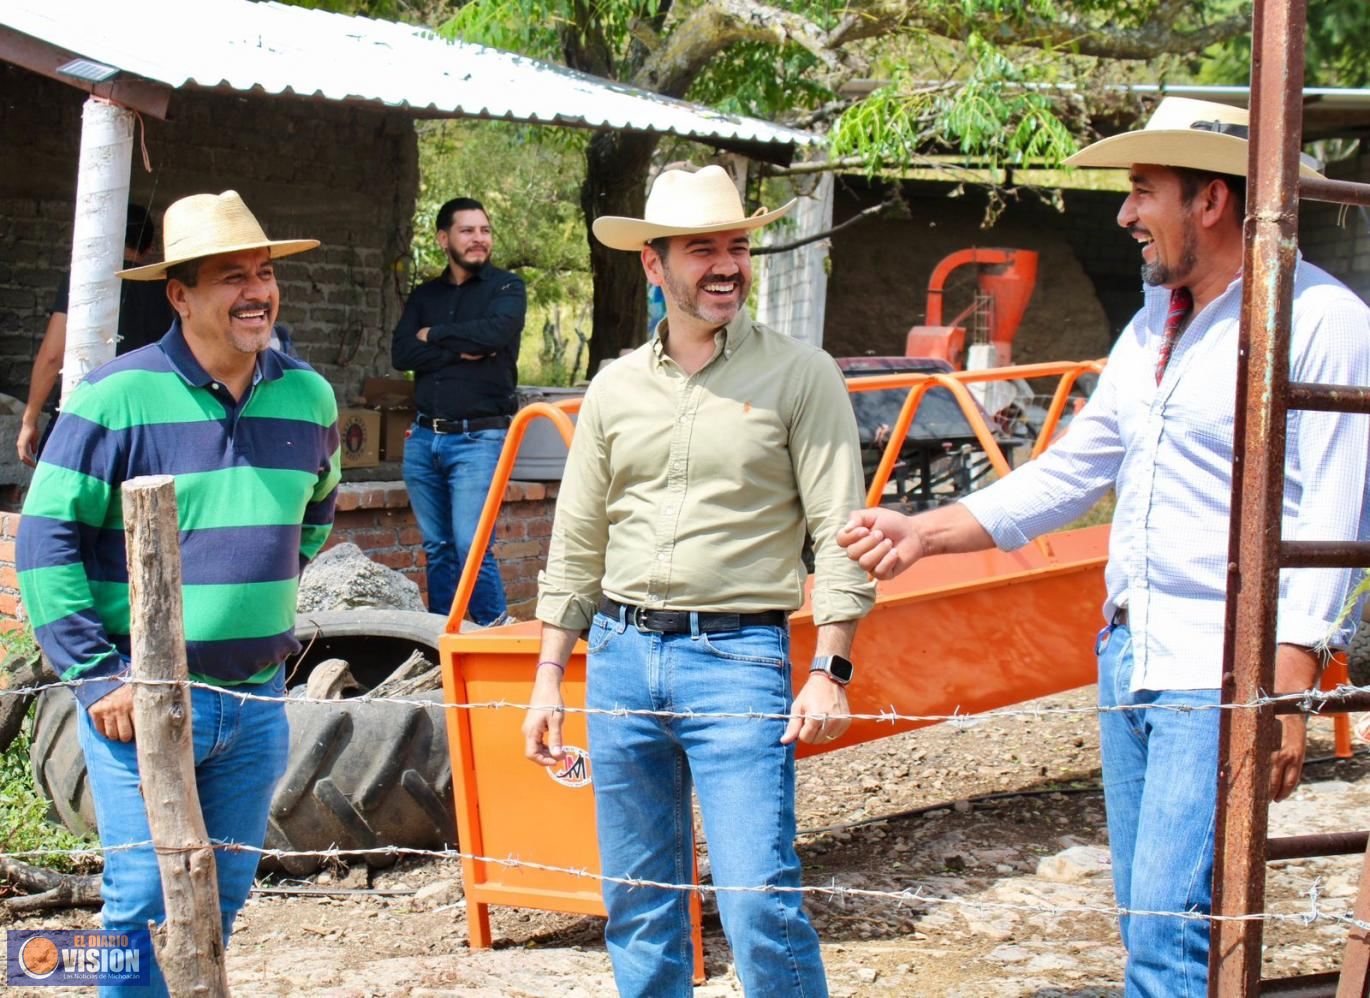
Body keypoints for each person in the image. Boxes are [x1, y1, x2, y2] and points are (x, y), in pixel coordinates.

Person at [837, 97, 1370, 996]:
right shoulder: (1152, 326)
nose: (1124, 214)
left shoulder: (1323, 321)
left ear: (1211, 201)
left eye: (1140, 191)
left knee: (1169, 933)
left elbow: (1337, 512)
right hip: (1130, 651)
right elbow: (1073, 471)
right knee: (1153, 921)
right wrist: (921, 532)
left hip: (1223, 668)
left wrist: (1285, 686)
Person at [523, 165, 875, 997]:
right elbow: (577, 540)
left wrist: (830, 668)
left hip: (737, 658)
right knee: (639, 904)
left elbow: (841, 528)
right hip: (618, 656)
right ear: (654, 264)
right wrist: (548, 679)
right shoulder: (614, 387)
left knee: (758, 899)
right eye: (702, 249)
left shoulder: (800, 375)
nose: (726, 265)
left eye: (737, 246)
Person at [17, 190, 340, 997]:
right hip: (144, 699)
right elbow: (43, 540)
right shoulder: (113, 398)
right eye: (232, 276)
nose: (257, 291)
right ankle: (80, 980)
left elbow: (310, 525)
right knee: (143, 900)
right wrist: (97, 675)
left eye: (265, 273)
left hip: (256, 699)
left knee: (221, 899)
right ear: (180, 294)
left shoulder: (311, 398)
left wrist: (244, 601)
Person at [391, 197, 526, 625]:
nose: (479, 239)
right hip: (424, 438)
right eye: (468, 231)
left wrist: (437, 335)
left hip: (479, 439)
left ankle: (494, 637)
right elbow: (401, 351)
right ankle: (441, 641)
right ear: (443, 239)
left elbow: (495, 334)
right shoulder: (425, 295)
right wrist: (459, 350)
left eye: (484, 230)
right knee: (438, 548)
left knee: (472, 544)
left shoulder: (506, 288)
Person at [16, 203, 174, 466]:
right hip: (146, 426)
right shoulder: (170, 291)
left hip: (84, 420)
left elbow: (53, 356)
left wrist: (29, 420)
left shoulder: (85, 280)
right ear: (148, 248)